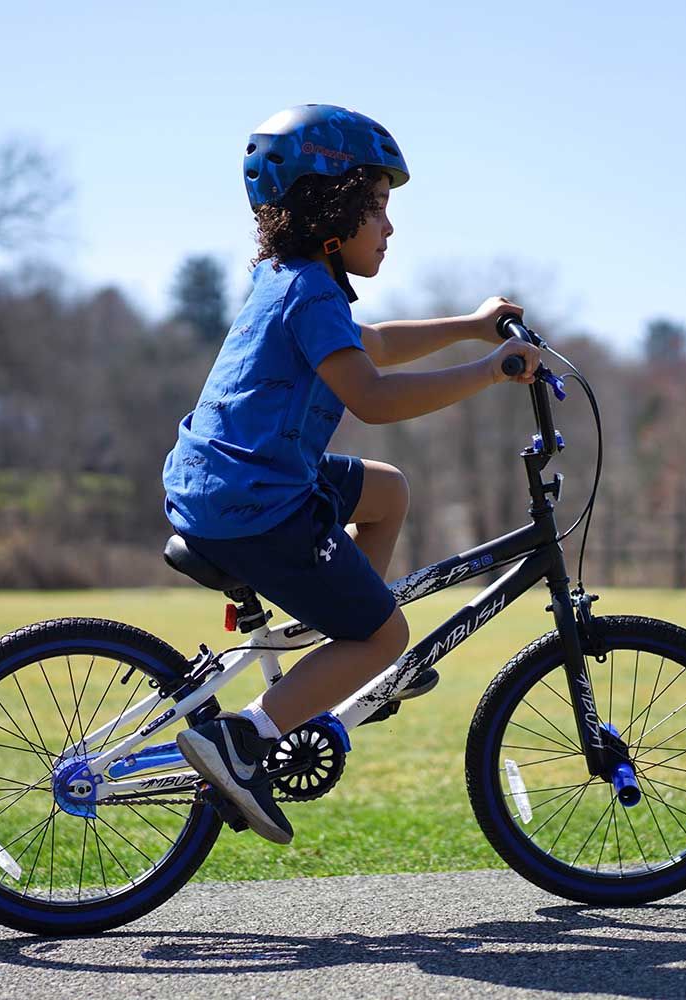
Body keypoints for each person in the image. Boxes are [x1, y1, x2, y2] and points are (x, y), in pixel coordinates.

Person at [166, 103, 540, 845]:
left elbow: (369, 342)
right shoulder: (307, 290)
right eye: (379, 210)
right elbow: (370, 395)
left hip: (235, 481)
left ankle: (345, 646)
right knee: (385, 634)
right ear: (332, 214)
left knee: (387, 490)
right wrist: (489, 370)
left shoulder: (296, 281)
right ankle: (244, 739)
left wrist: (469, 324)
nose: (390, 228)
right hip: (257, 503)